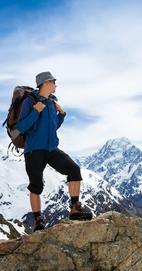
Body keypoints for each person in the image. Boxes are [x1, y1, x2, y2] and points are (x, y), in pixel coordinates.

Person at [17, 71, 92, 232]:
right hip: (34, 151)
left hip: (52, 149)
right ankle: (38, 221)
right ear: (46, 83)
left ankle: (75, 209)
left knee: (74, 170)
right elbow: (22, 127)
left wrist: (62, 115)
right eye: (54, 81)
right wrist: (35, 111)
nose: (56, 84)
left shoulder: (52, 103)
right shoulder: (30, 102)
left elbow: (52, 127)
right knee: (36, 186)